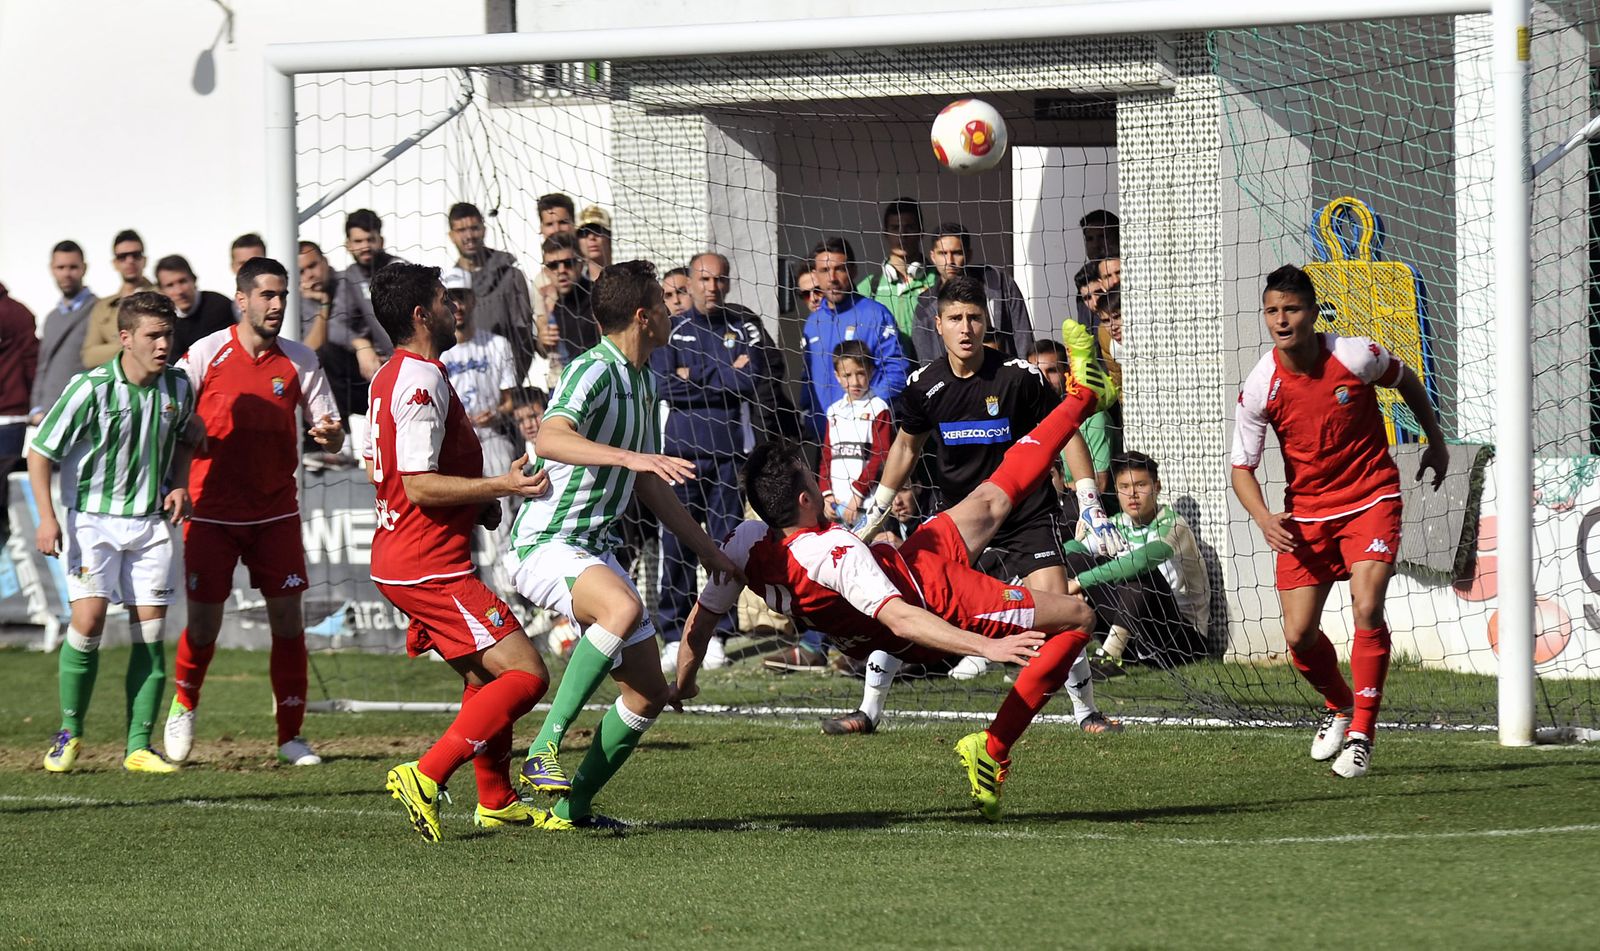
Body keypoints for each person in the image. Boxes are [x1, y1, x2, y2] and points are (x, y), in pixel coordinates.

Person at [677, 376, 1108, 821]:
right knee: (1078, 616)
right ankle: (993, 747)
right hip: (935, 600)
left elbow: (701, 620)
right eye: (812, 476)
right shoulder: (834, 554)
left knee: (992, 497)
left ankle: (1082, 398)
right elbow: (901, 620)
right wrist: (986, 647)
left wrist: (684, 683)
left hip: (908, 564)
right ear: (805, 499)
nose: (821, 482)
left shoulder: (746, 541)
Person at [506, 259, 742, 830]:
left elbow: (647, 482)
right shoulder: (593, 369)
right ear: (643, 316)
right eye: (664, 303)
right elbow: (552, 437)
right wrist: (631, 457)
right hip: (548, 540)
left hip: (594, 546)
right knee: (623, 607)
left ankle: (572, 809)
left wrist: (708, 551)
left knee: (647, 694)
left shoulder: (645, 379)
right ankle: (543, 748)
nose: (672, 310)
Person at [828, 277, 1121, 735]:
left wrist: (1089, 501)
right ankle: (868, 711)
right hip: (959, 519)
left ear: (986, 323)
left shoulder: (1018, 377)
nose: (965, 328)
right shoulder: (923, 385)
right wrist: (877, 509)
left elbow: (1065, 431)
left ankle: (1087, 712)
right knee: (907, 600)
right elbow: (905, 448)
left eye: (974, 318)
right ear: (938, 324)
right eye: (955, 318)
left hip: (1026, 514)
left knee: (1058, 608)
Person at [1231, 264, 1448, 779]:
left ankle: (1362, 736)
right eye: (1272, 311)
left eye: (1291, 309)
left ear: (1312, 312)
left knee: (1367, 606)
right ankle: (1339, 704)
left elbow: (1407, 380)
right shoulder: (1261, 384)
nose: (1281, 320)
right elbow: (1241, 469)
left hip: (1372, 497)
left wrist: (1435, 439)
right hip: (1307, 515)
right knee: (1298, 635)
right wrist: (1263, 518)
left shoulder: (1355, 355)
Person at [364, 261, 555, 841]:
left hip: (409, 557)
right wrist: (502, 486)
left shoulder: (392, 375)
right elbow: (419, 485)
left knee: (484, 678)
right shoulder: (419, 381)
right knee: (527, 675)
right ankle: (425, 775)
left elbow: (390, 471)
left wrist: (477, 503)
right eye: (446, 300)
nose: (457, 309)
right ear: (422, 314)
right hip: (427, 565)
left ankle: (495, 799)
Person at [163, 257, 344, 767]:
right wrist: (180, 460)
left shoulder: (300, 359)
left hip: (275, 513)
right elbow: (170, 413)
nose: (277, 304)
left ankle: (291, 735)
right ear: (241, 300)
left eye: (282, 295)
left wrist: (331, 435)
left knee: (287, 621)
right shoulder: (206, 353)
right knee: (203, 627)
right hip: (211, 513)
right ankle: (184, 705)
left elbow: (331, 430)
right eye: (267, 295)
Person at [29, 291, 195, 774]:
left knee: (151, 633)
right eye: (153, 335)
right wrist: (46, 517)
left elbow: (189, 435)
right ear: (125, 338)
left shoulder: (178, 387)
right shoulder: (90, 388)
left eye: (168, 334)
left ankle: (138, 747)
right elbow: (40, 452)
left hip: (150, 523)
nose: (163, 344)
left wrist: (180, 483)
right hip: (92, 521)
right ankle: (70, 733)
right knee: (88, 623)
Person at [651, 253, 766, 672]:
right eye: (704, 279)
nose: (712, 287)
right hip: (680, 456)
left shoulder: (745, 328)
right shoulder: (671, 329)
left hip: (728, 455)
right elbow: (665, 386)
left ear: (728, 284)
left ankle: (717, 633)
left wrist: (694, 374)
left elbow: (749, 381)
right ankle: (672, 633)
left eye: (719, 280)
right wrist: (723, 373)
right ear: (691, 283)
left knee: (725, 546)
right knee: (676, 544)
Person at [1062, 451, 1209, 671]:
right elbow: (1071, 553)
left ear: (1157, 487)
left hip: (1181, 639)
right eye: (1124, 487)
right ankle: (1053, 646)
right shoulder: (1117, 523)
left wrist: (1080, 582)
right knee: (1075, 560)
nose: (1132, 494)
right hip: (1137, 632)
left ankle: (1110, 658)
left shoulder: (1174, 524)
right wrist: (1075, 549)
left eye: (1140, 485)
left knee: (1139, 573)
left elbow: (1140, 562)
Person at [439, 286, 519, 592]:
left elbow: (510, 401)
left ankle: (510, 593)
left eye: (462, 297)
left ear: (473, 300)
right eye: (450, 299)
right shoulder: (439, 350)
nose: (457, 306)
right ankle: (464, 589)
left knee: (502, 516)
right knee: (454, 523)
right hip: (452, 446)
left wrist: (496, 413)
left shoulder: (497, 344)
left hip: (491, 437)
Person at [800, 237, 908, 439]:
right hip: (824, 439)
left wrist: (868, 409)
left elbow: (896, 370)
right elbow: (808, 377)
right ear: (815, 275)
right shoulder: (812, 323)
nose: (832, 278)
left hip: (867, 437)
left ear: (853, 271)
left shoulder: (876, 315)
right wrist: (807, 415)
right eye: (824, 270)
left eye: (839, 269)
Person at [441, 201, 536, 379]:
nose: (469, 236)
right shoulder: (449, 287)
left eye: (474, 228)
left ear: (484, 229)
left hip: (508, 382)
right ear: (451, 236)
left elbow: (525, 337)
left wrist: (513, 382)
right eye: (461, 230)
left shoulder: (511, 277)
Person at [911, 223, 1032, 361]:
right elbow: (925, 359)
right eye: (943, 253)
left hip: (1005, 370)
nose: (950, 261)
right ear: (932, 256)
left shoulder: (999, 284)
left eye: (957, 253)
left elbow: (1024, 340)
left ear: (968, 254)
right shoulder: (924, 306)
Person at [29, 241, 97, 428]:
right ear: (52, 269)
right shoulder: (52, 318)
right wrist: (36, 407)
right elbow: (43, 365)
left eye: (73, 267)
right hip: (49, 417)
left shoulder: (99, 311)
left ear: (84, 268)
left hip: (84, 414)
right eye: (61, 267)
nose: (66, 274)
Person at [331, 208, 401, 385]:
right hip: (377, 363)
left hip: (409, 358)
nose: (365, 247)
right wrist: (361, 344)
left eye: (370, 240)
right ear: (348, 245)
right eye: (358, 241)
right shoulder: (351, 276)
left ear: (381, 241)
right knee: (328, 354)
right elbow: (335, 326)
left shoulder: (399, 270)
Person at [856, 198, 935, 347]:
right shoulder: (869, 287)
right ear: (885, 233)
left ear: (921, 232)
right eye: (895, 228)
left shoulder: (938, 280)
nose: (902, 235)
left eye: (909, 227)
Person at [81, 230, 157, 367]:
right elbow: (89, 356)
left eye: (135, 255)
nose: (130, 261)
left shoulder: (161, 297)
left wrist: (116, 345)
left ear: (144, 260)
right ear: (115, 263)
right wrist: (132, 343)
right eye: (123, 257)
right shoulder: (103, 307)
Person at [1, 282, 38, 531]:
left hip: (9, 417)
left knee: (5, 496)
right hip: (12, 416)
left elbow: (31, 362)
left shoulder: (14, 313)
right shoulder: (19, 312)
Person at [153, 255, 234, 357]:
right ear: (161, 291)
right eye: (170, 285)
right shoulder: (164, 321)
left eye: (182, 281)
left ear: (194, 280)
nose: (179, 291)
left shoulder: (220, 306)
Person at [536, 232, 597, 364]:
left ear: (581, 264)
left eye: (568, 263)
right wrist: (543, 342)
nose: (561, 270)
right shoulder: (556, 309)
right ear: (546, 271)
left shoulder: (600, 296)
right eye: (553, 265)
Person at [577, 205, 613, 283]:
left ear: (609, 237)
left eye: (598, 231)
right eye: (584, 233)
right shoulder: (574, 284)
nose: (591, 237)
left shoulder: (625, 277)